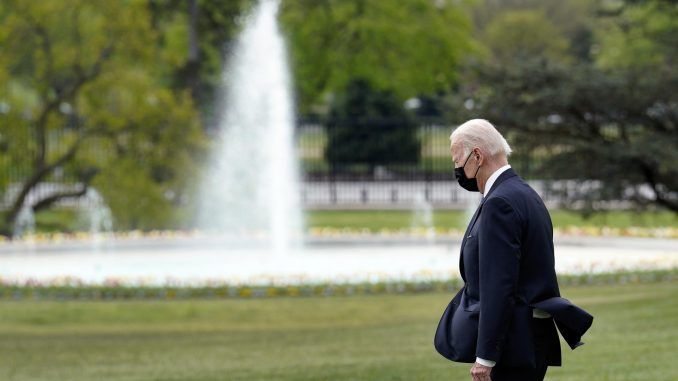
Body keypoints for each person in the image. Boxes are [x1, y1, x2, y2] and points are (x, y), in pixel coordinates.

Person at [433, 119, 593, 381]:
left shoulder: (500, 202)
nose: (457, 168)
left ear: (477, 155)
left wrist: (485, 357)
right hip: (529, 338)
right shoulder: (524, 193)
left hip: (512, 345)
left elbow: (499, 285)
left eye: (457, 160)